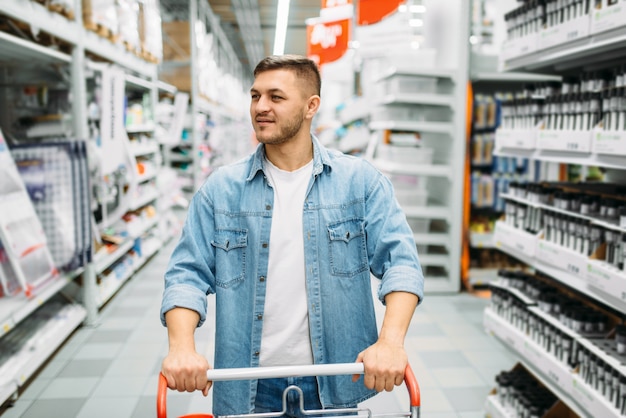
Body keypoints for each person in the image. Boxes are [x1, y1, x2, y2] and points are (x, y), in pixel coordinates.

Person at [160, 54, 424, 417]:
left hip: (333, 380)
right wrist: (181, 347)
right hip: (249, 385)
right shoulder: (221, 190)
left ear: (311, 106)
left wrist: (391, 342)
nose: (260, 107)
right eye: (255, 96)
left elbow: (402, 264)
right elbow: (186, 275)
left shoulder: (360, 183)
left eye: (276, 97)